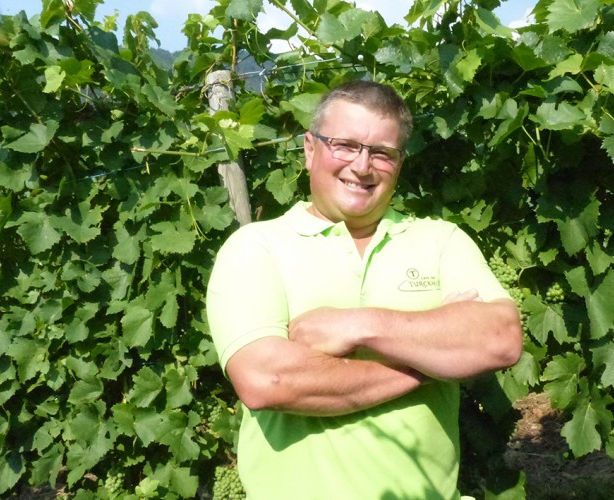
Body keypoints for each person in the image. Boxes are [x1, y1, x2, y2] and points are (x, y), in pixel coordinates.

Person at [206, 80, 523, 499]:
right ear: (309, 149)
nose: (362, 166)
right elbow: (269, 379)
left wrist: (358, 327)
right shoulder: (256, 247)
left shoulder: (441, 240)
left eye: (381, 153)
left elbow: (500, 339)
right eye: (345, 145)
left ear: (399, 163)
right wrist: (432, 362)